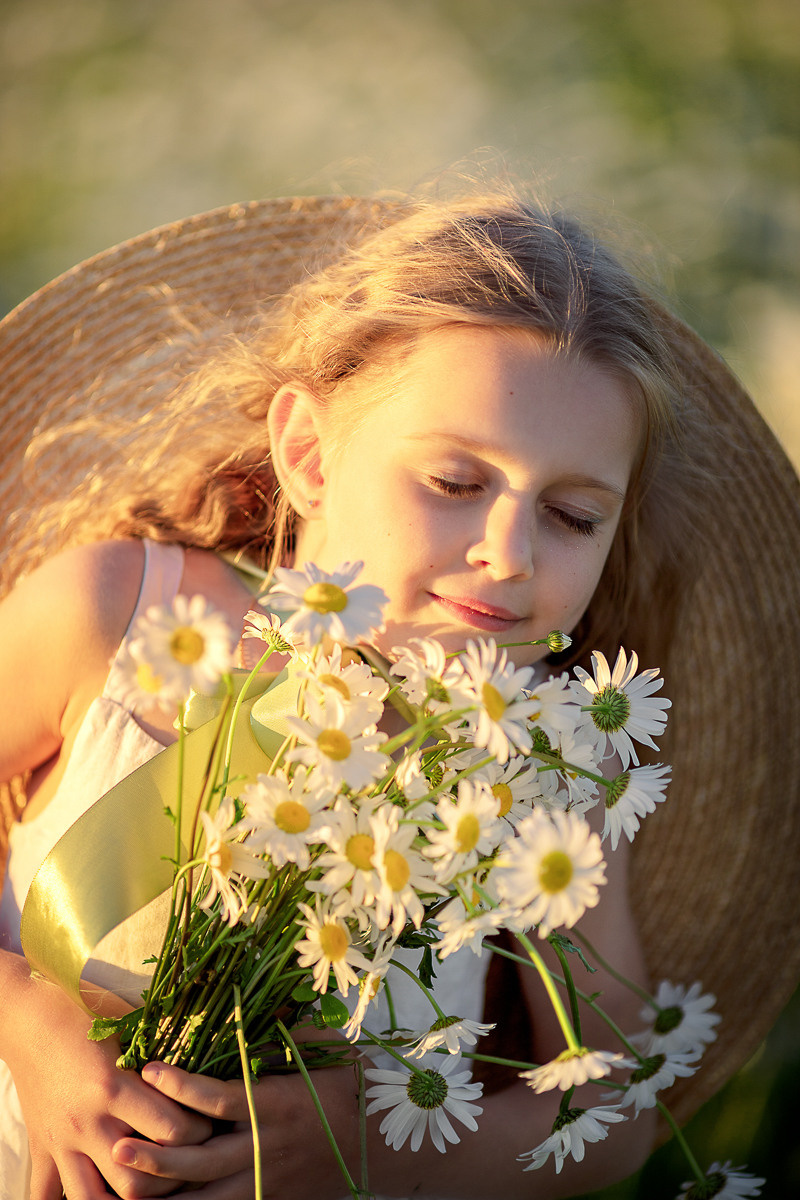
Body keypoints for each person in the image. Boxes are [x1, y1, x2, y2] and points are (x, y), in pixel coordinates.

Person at [0, 187, 798, 1200]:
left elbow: (614, 1104)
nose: (506, 555)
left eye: (569, 514)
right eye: (456, 484)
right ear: (307, 455)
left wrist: (380, 1147)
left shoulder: (546, 763)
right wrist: (23, 1018)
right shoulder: (117, 610)